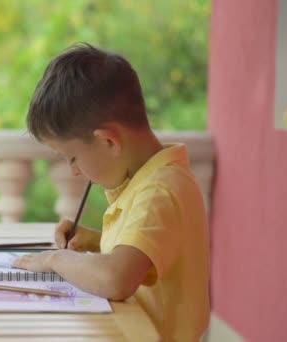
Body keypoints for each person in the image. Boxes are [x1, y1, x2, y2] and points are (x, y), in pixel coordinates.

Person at [12, 43, 210, 341]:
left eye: (72, 157)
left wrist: (54, 260)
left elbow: (117, 278)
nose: (74, 171)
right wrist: (95, 240)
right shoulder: (150, 180)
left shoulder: (158, 191)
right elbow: (144, 256)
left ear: (108, 141)